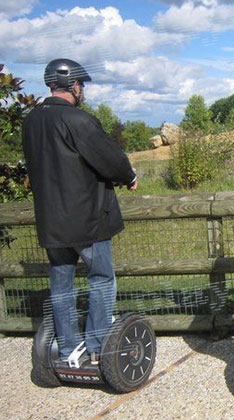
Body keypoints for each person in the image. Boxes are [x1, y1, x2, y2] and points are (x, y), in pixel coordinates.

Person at [22, 58, 138, 365]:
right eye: (81, 84)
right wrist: (130, 177)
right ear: (73, 85)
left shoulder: (31, 122)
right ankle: (99, 345)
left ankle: (68, 347)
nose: (82, 90)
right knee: (101, 278)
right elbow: (110, 159)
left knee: (61, 282)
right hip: (88, 219)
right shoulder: (79, 121)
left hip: (51, 222)